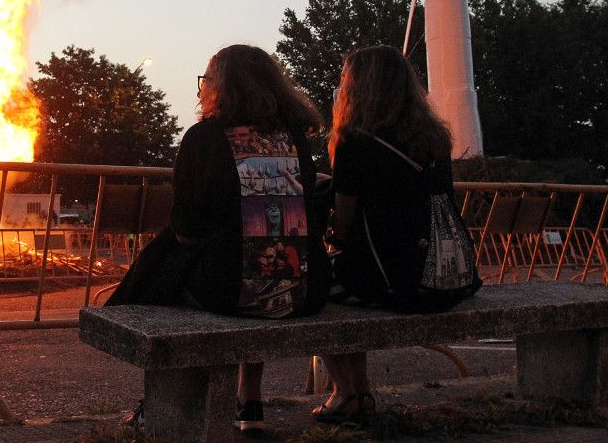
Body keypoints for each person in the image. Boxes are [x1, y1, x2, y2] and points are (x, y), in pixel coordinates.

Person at [109, 44, 325, 432]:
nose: (201, 87)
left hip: (231, 292)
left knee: (171, 276)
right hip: (302, 289)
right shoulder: (293, 138)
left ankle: (163, 408)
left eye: (206, 79)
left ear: (221, 86)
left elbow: (186, 231)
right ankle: (250, 399)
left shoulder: (205, 137)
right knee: (258, 254)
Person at [317, 45, 476, 424]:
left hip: (399, 281)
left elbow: (345, 226)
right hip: (445, 275)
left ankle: (348, 391)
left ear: (358, 89)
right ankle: (358, 394)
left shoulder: (356, 142)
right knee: (351, 276)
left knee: (318, 287)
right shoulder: (436, 139)